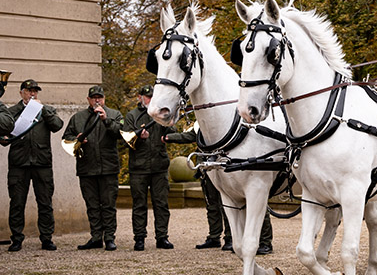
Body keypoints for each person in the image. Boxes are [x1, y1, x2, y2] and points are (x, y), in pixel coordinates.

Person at [163, 127, 274, 254]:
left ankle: (258, 241)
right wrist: (169, 137)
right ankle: (215, 237)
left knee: (243, 204)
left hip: (229, 166)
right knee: (212, 204)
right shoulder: (201, 124)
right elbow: (189, 136)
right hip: (208, 167)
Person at [3, 80, 63, 251]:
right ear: (21, 93)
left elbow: (57, 126)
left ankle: (46, 238)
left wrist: (42, 109)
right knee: (17, 203)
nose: (32, 94)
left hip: (42, 163)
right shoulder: (12, 112)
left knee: (45, 203)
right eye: (29, 91)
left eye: (35, 91)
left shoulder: (46, 110)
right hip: (19, 164)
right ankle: (16, 238)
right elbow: (3, 136)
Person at [63, 85, 124, 251]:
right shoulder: (78, 118)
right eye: (94, 97)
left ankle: (110, 238)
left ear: (104, 99)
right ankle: (96, 237)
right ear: (88, 100)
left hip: (108, 168)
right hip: (87, 167)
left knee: (109, 205)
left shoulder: (114, 114)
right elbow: (66, 138)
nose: (97, 100)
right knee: (92, 205)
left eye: (100, 97)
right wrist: (76, 139)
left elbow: (121, 133)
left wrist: (106, 120)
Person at [125, 85, 176, 251]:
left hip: (159, 167)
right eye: (147, 97)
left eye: (152, 96)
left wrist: (167, 121)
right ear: (140, 97)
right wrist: (139, 137)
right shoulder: (132, 115)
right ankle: (139, 238)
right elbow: (126, 138)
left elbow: (173, 131)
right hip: (138, 168)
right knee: (139, 205)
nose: (150, 99)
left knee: (161, 204)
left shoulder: (159, 114)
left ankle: (162, 237)